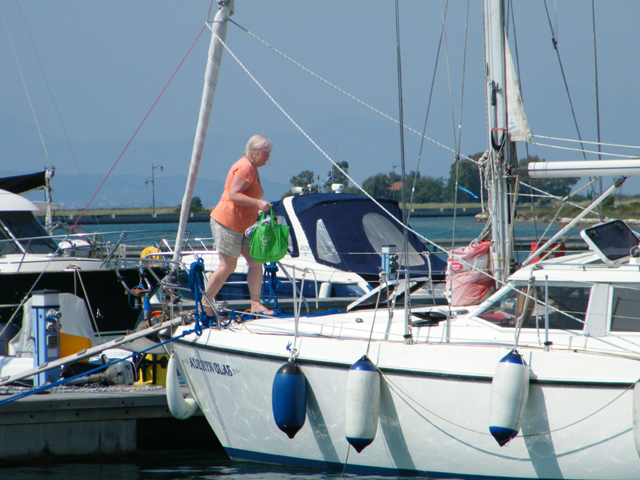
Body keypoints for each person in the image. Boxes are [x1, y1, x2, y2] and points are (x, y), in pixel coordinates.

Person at [203, 134, 275, 317]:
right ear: (253, 152)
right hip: (228, 222)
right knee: (228, 265)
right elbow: (233, 195)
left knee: (256, 261)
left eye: (269, 152)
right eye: (264, 152)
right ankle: (205, 302)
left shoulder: (252, 167)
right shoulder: (245, 168)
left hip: (245, 225)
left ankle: (256, 303)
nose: (267, 156)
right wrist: (258, 203)